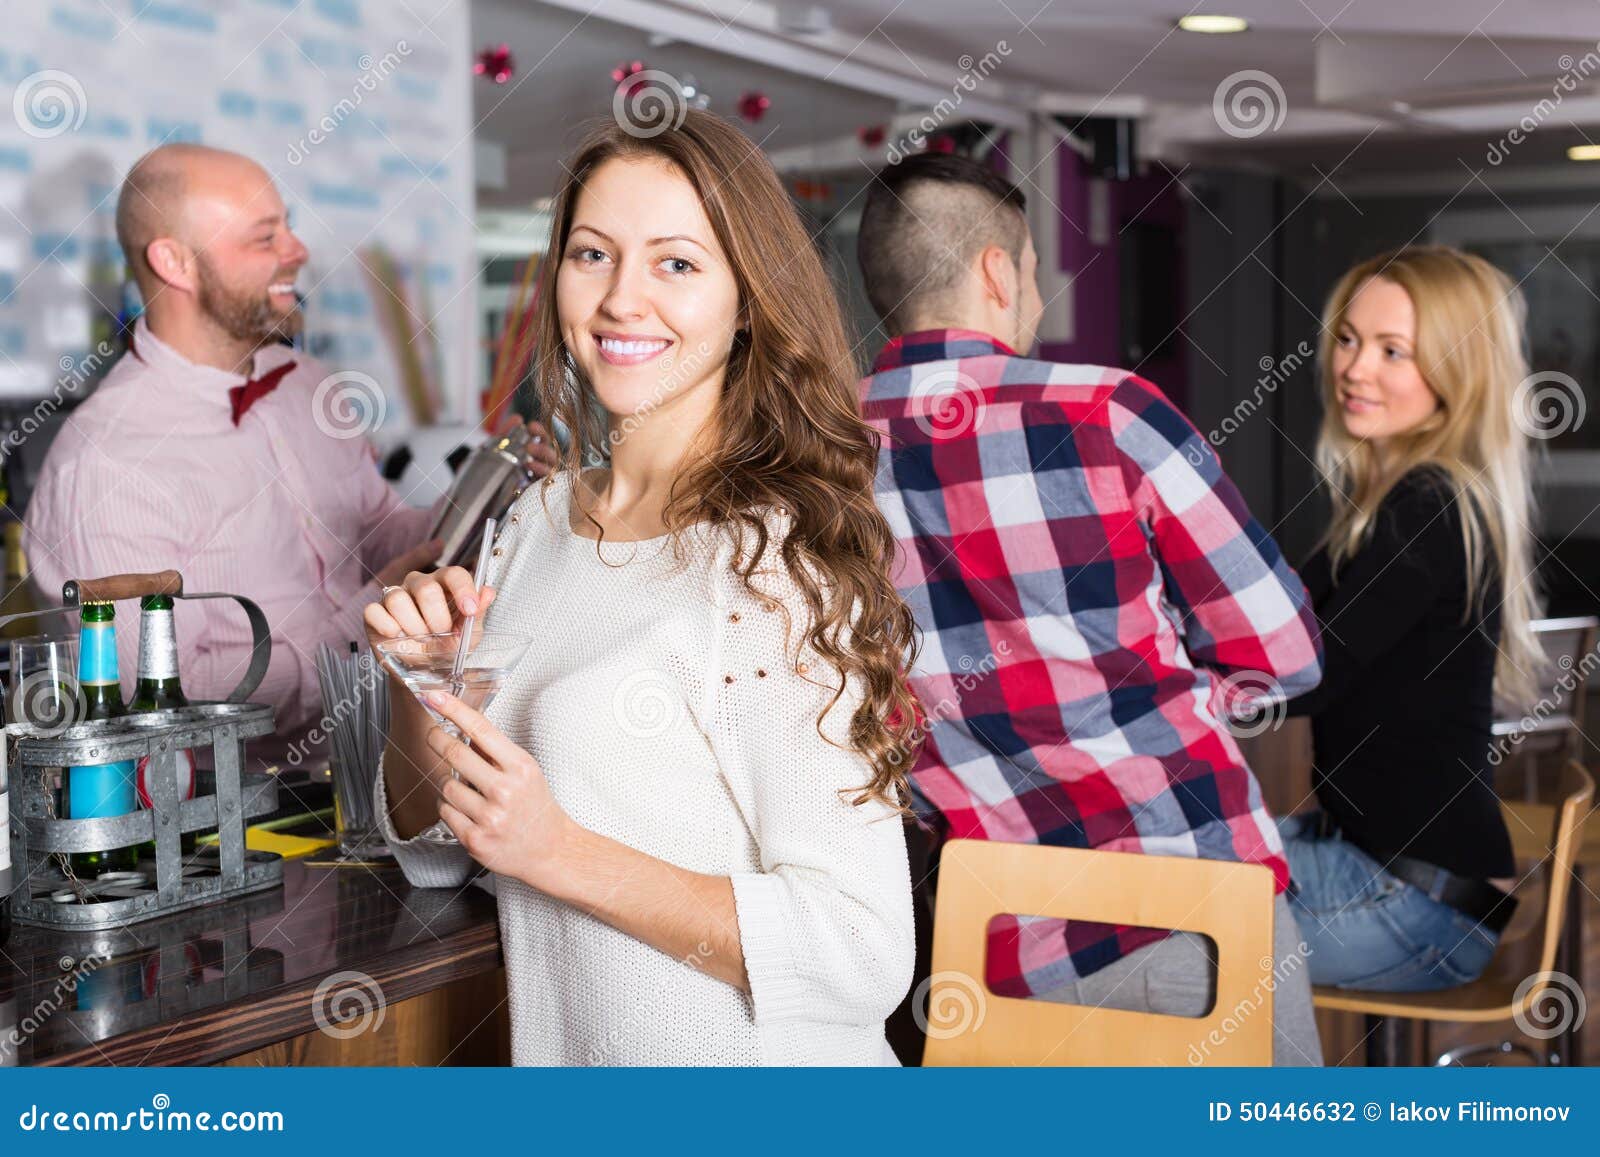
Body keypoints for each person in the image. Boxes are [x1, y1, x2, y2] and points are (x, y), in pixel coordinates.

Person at [367, 109, 918, 1066]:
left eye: (675, 263)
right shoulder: (534, 522)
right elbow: (436, 851)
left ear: (747, 300)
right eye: (592, 254)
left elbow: (862, 950)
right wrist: (422, 686)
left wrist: (560, 851)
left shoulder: (771, 562)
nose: (624, 299)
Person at [855, 152, 1325, 1064]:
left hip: (992, 941)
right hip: (1188, 908)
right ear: (998, 270)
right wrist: (1169, 691)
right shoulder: (1108, 413)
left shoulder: (813, 463)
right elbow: (1283, 652)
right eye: (1033, 269)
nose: (1038, 290)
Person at [23, 144, 556, 766]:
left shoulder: (306, 383)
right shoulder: (103, 464)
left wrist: (494, 490)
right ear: (175, 262)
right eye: (263, 237)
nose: (297, 251)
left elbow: (380, 533)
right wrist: (370, 614)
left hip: (395, 775)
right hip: (242, 827)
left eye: (288, 227)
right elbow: (164, 703)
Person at [1280, 246, 1540, 991]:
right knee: (1151, 873)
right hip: (1381, 865)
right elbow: (1275, 624)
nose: (1355, 368)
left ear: (1456, 374)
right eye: (1350, 338)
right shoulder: (1386, 501)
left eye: (1394, 351)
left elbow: (1303, 673)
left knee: (1151, 935)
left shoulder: (1432, 506)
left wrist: (1153, 686)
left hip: (1414, 903)